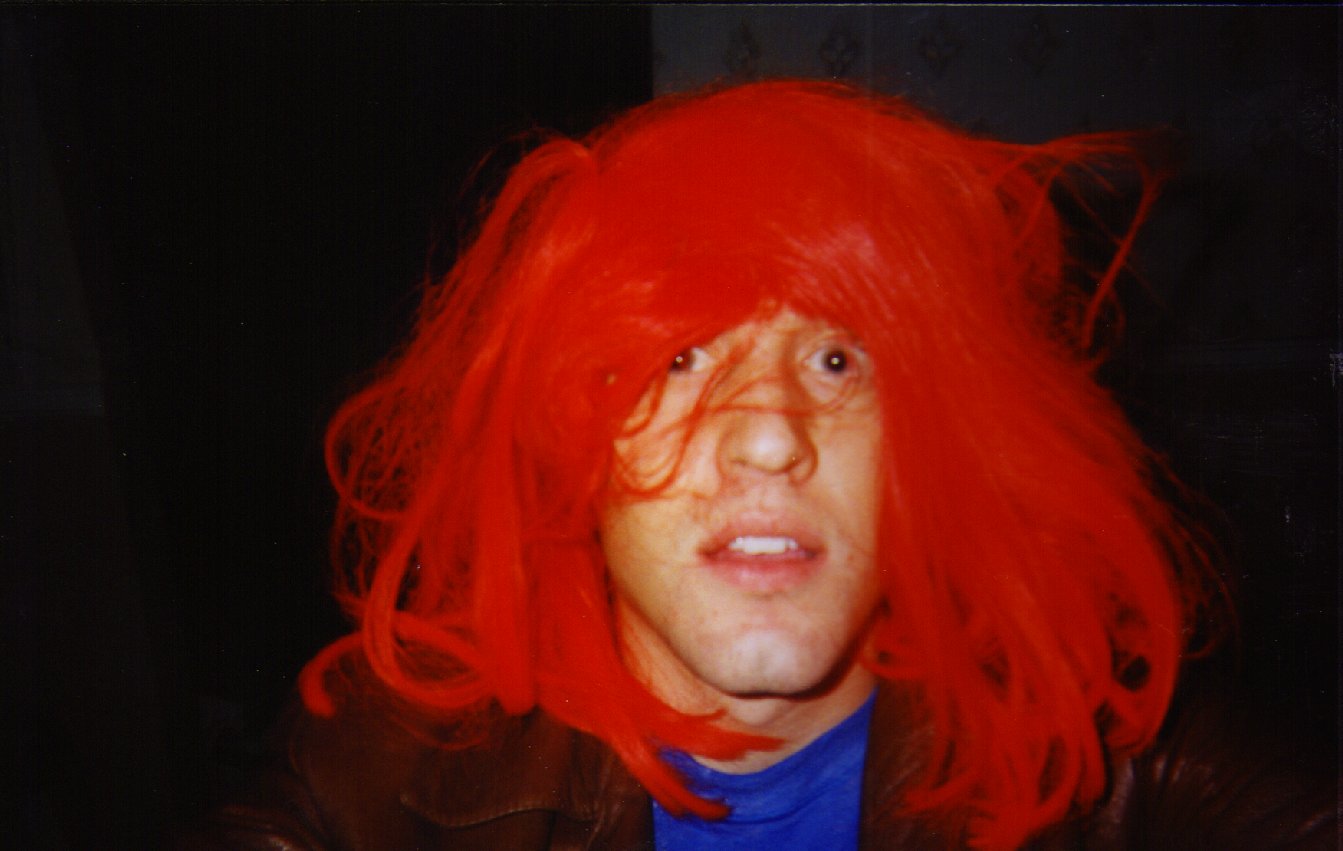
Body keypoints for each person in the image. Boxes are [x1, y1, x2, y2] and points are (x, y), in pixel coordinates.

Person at [186, 81, 1332, 850]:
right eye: (677, 357)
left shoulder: (1132, 760)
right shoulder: (366, 778)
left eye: (836, 360)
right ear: (569, 437)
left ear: (934, 433)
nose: (768, 435)